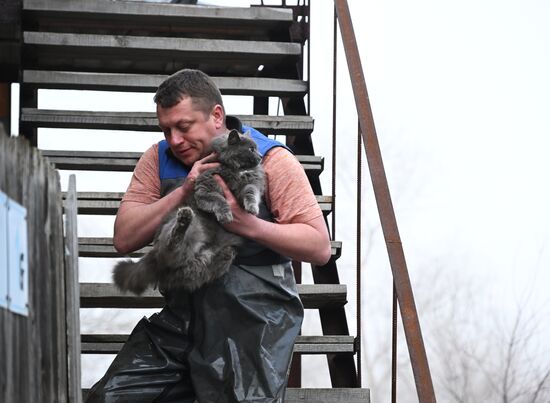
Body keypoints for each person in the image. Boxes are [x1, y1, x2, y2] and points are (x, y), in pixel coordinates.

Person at [86, 69, 331, 402]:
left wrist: (249, 226)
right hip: (181, 322)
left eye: (183, 127)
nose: (174, 140)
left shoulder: (271, 159)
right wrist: (185, 189)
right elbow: (124, 237)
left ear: (217, 116)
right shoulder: (158, 159)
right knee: (109, 398)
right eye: (166, 129)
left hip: (254, 324)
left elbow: (318, 246)